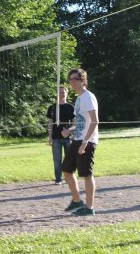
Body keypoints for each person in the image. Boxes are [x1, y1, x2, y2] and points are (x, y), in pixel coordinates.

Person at [61, 68, 99, 216]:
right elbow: (81, 122)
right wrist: (69, 130)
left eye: (75, 79)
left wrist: (85, 142)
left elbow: (94, 121)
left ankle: (89, 208)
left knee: (86, 174)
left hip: (86, 141)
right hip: (77, 139)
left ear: (83, 80)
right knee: (66, 170)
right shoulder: (79, 98)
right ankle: (77, 200)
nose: (72, 82)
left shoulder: (88, 97)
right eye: (70, 80)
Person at [46, 85, 74, 185]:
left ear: (66, 93)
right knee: (57, 159)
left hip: (68, 138)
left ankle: (69, 177)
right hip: (56, 138)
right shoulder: (52, 107)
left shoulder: (71, 107)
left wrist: (69, 131)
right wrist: (50, 137)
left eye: (63, 92)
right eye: (60, 92)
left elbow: (76, 124)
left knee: (69, 159)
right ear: (57, 94)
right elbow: (50, 123)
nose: (62, 94)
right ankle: (58, 179)